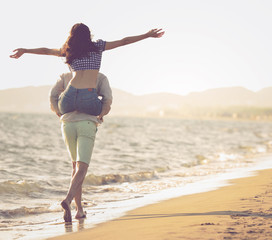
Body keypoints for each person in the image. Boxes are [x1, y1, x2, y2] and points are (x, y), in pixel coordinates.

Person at [11, 23, 164, 116]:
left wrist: (25, 50)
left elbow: (46, 50)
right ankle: (97, 119)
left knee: (58, 106)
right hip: (89, 98)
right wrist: (147, 35)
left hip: (68, 97)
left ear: (72, 36)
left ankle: (63, 118)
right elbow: (124, 41)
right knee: (103, 108)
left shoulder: (68, 50)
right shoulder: (98, 46)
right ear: (88, 34)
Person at [50, 71, 112, 223]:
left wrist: (58, 112)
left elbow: (52, 96)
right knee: (82, 167)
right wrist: (101, 115)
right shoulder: (99, 77)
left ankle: (79, 210)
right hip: (87, 123)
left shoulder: (64, 76)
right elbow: (107, 100)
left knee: (75, 167)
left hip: (67, 124)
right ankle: (68, 199)